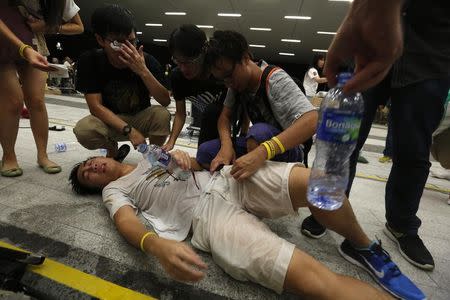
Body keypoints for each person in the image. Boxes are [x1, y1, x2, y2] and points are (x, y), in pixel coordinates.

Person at [69, 150, 425, 299]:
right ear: (94, 187)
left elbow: (196, 164)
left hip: (226, 179)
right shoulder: (115, 190)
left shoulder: (142, 153)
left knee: (322, 184)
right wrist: (155, 244)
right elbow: (126, 222)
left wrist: (186, 157)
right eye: (87, 175)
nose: (92, 167)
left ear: (103, 155)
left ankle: (361, 244)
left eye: (90, 162)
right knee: (313, 281)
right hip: (205, 219)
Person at [304, 0, 450, 271]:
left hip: (432, 50)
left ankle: (401, 224)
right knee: (341, 135)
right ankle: (329, 209)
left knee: (414, 148)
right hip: (369, 42)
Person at [198, 30, 318, 180]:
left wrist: (263, 152)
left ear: (245, 58)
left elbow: (313, 119)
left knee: (258, 132)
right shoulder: (235, 85)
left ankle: (253, 191)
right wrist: (226, 145)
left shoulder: (274, 79)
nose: (228, 83)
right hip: (259, 142)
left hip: (289, 147)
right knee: (205, 151)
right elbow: (224, 117)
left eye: (229, 75)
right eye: (222, 80)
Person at [74, 5, 171, 161]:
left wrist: (143, 71)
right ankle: (112, 150)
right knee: (84, 130)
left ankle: (153, 158)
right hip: (110, 121)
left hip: (141, 117)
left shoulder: (146, 59)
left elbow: (165, 100)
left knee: (162, 115)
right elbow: (95, 107)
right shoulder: (90, 60)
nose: (127, 48)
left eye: (132, 41)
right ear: (100, 40)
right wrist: (129, 131)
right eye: (118, 43)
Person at [0, 0, 83, 177]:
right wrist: (23, 48)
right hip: (3, 39)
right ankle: (8, 156)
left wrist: (47, 27)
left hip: (32, 41)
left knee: (36, 100)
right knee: (13, 101)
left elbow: (78, 26)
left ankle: (42, 155)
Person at [165, 25, 228, 151]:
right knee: (204, 154)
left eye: (188, 62)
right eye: (178, 61)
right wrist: (171, 142)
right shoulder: (178, 76)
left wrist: (241, 133)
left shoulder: (219, 72)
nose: (183, 68)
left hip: (228, 115)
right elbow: (180, 114)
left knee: (212, 112)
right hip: (209, 117)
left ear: (203, 52)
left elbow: (243, 102)